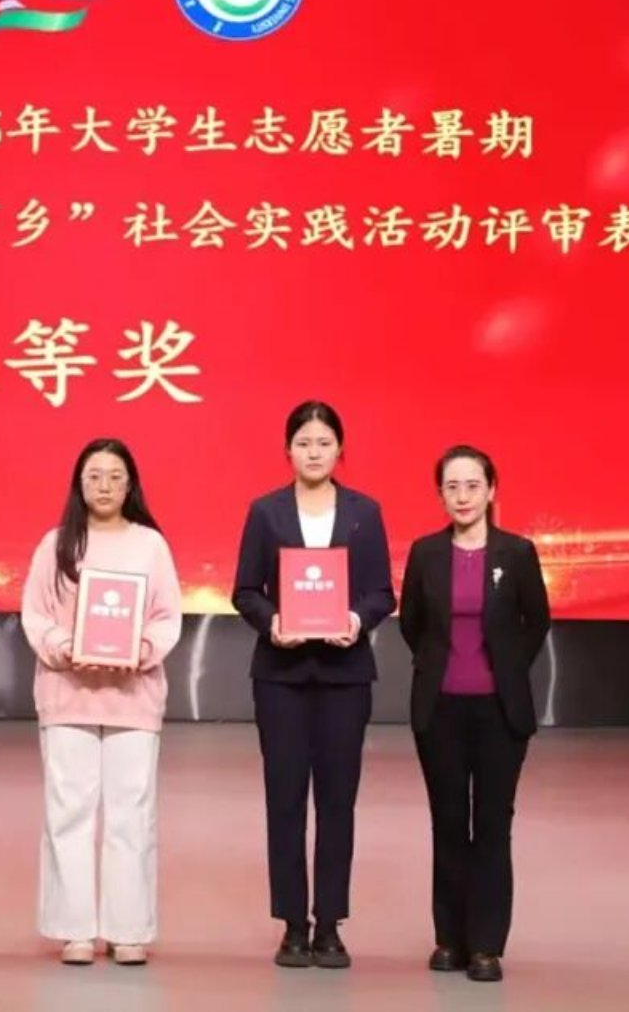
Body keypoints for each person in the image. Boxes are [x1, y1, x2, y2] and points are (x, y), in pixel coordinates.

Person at [231, 400, 396, 968]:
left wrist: (356, 619)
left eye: (324, 443)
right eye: (303, 443)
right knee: (284, 799)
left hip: (344, 676)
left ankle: (329, 923)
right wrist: (272, 622)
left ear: (340, 449)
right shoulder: (266, 511)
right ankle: (291, 925)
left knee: (337, 801)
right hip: (280, 676)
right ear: (288, 450)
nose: (314, 452)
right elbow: (245, 590)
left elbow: (381, 593)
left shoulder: (364, 512)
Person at [20, 438, 184, 966]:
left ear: (130, 484)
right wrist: (64, 647)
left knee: (130, 815)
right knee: (68, 813)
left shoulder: (150, 545)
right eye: (94, 476)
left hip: (133, 698)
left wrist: (140, 650)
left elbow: (167, 617)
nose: (105, 485)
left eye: (115, 476)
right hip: (68, 694)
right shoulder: (56, 545)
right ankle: (74, 930)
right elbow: (35, 614)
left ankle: (127, 929)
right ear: (79, 484)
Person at [398, 444, 551, 983]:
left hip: (499, 712)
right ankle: (449, 939)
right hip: (439, 709)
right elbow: (412, 624)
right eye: (452, 487)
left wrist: (505, 667)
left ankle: (486, 945)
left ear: (491, 491)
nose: (462, 496)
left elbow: (537, 620)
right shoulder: (425, 553)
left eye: (472, 486)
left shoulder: (518, 553)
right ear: (440, 494)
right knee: (447, 822)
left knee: (491, 825)